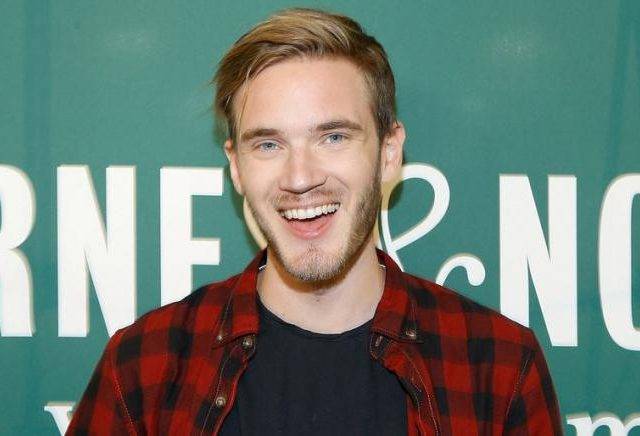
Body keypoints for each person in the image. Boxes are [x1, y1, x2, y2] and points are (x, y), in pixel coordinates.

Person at [66, 8, 563, 435]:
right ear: (236, 166)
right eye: (268, 144)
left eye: (333, 137)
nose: (300, 178)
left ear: (389, 152)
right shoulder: (144, 368)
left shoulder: (497, 366)